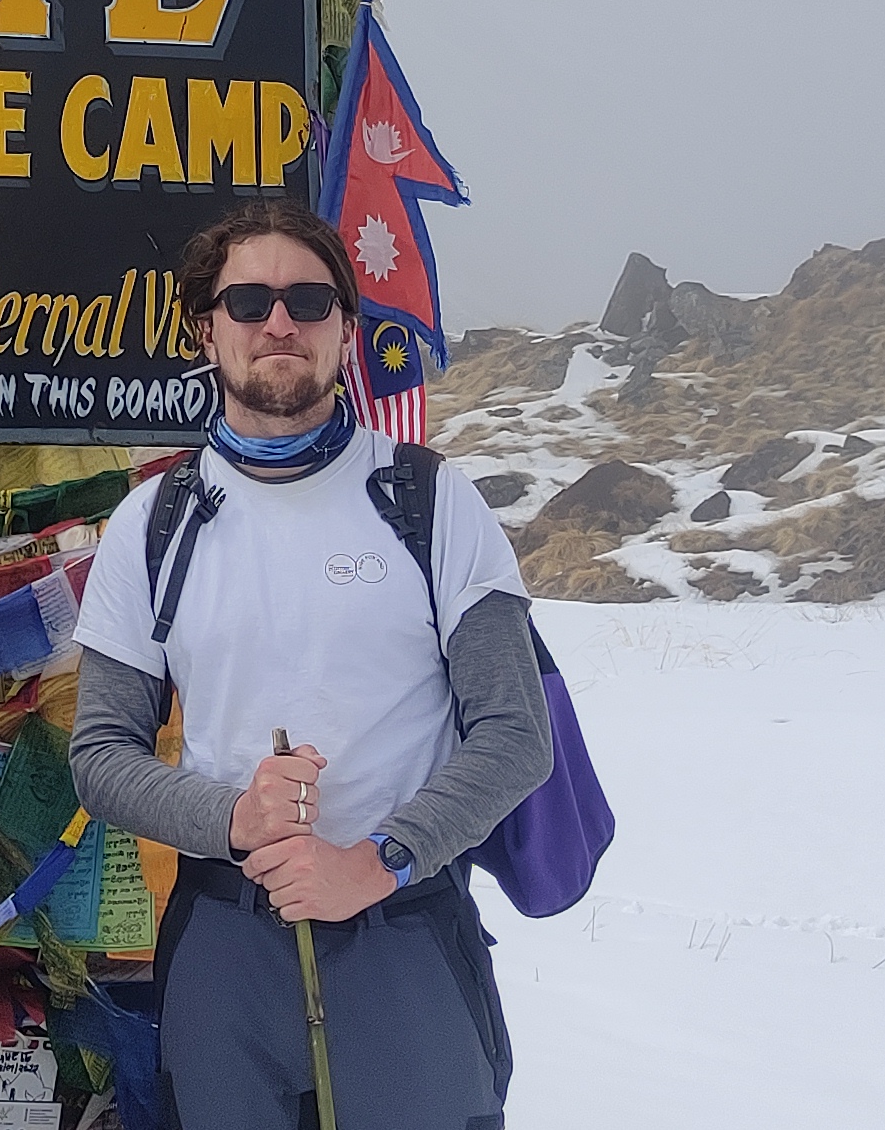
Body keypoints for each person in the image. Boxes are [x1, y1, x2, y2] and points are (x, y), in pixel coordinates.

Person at [68, 204, 556, 1130]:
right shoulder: (154, 523)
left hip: (402, 930)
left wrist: (381, 860)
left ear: (345, 328)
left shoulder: (430, 499)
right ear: (205, 328)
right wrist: (235, 817)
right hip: (225, 942)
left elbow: (514, 733)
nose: (279, 322)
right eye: (248, 301)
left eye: (308, 299)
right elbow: (101, 754)